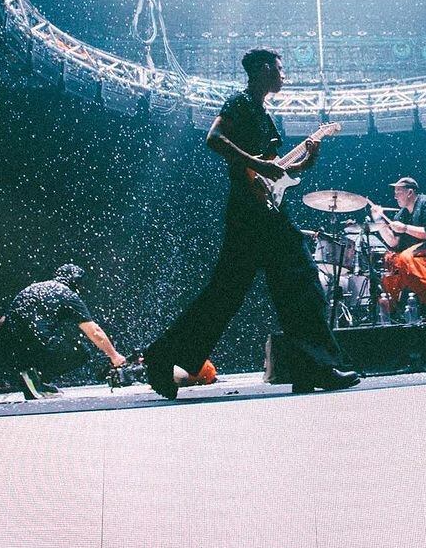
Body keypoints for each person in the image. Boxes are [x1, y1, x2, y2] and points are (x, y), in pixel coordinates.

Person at [142, 49, 360, 398]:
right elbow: (214, 139)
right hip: (248, 213)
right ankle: (163, 356)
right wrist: (256, 165)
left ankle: (311, 367)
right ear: (262, 70)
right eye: (279, 67)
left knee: (289, 284)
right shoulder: (239, 104)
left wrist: (305, 163)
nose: (284, 75)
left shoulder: (265, 117)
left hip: (266, 212)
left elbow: (279, 172)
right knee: (256, 289)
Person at [0, 263, 126, 400]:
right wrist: (114, 356)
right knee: (81, 352)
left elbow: (2, 321)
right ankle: (36, 376)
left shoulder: (33, 288)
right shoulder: (67, 294)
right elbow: (94, 331)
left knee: (39, 339)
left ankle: (32, 380)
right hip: (36, 342)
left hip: (9, 346)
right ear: (75, 281)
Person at [371, 177, 426, 312]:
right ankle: (394, 311)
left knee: (406, 258)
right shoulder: (401, 214)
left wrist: (404, 228)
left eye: (398, 191)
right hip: (419, 254)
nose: (395, 195)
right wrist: (379, 221)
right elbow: (394, 242)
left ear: (410, 192)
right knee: (390, 261)